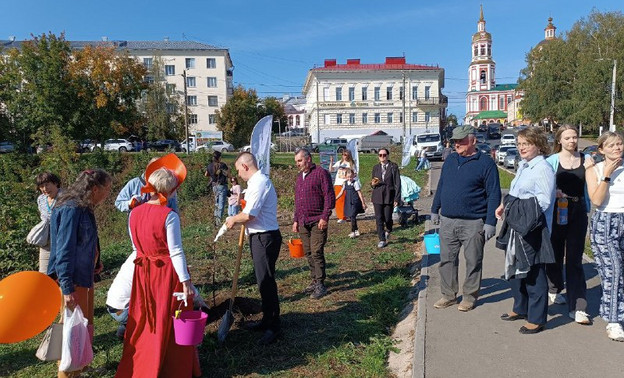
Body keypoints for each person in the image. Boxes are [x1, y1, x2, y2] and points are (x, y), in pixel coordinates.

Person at [116, 155, 201, 377]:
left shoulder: (134, 212)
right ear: (170, 191)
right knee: (170, 316)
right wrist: (186, 282)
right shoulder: (169, 216)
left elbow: (136, 245)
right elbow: (175, 251)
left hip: (143, 272)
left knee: (145, 317)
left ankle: (143, 363)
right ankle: (171, 368)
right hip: (165, 273)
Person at [47, 169, 112, 378]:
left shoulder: (85, 206)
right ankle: (67, 373)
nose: (108, 193)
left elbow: (88, 238)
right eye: (107, 189)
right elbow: (63, 250)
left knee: (85, 325)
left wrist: (97, 260)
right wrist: (67, 288)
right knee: (71, 329)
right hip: (72, 278)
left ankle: (80, 368)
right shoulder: (70, 208)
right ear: (94, 189)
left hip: (85, 274)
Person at [431, 125, 501, 312]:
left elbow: (493, 195)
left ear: (473, 141)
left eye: (461, 140)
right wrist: (434, 209)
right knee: (446, 260)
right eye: (454, 141)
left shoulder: (486, 163)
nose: (457, 144)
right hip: (447, 221)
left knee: (473, 261)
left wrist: (490, 223)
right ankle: (448, 295)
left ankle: (469, 297)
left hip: (473, 222)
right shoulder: (451, 159)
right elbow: (442, 185)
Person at [495, 127, 556, 334]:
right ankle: (520, 307)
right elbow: (515, 191)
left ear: (538, 145)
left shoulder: (542, 168)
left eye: (526, 144)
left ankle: (537, 318)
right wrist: (505, 205)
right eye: (519, 143)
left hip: (533, 228)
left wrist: (521, 212)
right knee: (515, 268)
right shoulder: (524, 165)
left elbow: (544, 201)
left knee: (533, 272)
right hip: (516, 224)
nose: (521, 147)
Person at [225, 152, 283, 345]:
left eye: (239, 170)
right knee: (262, 281)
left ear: (246, 166)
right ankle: (266, 320)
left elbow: (250, 215)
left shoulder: (260, 183)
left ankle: (273, 327)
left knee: (266, 282)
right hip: (258, 236)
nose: (238, 174)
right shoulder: (254, 184)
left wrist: (233, 219)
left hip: (265, 238)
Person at [545, 125, 593, 324]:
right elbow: (544, 184)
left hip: (577, 211)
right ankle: (554, 287)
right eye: (567, 138)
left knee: (574, 259)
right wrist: (553, 192)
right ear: (560, 141)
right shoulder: (551, 161)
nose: (572, 141)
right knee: (555, 253)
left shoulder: (586, 160)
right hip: (557, 210)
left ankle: (578, 307)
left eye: (574, 137)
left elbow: (592, 184)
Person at [586, 131, 624, 341]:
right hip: (606, 222)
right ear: (601, 150)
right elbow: (597, 201)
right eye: (611, 145)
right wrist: (607, 174)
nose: (617, 148)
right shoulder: (595, 169)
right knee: (613, 271)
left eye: (619, 144)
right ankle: (613, 320)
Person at [293, 147, 336, 299]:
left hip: (318, 219)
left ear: (308, 159)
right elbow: (298, 200)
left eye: (300, 160)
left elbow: (329, 196)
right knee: (308, 252)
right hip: (304, 221)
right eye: (296, 161)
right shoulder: (300, 178)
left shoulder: (321, 173)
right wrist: (296, 220)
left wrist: (325, 217)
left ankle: (320, 283)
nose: (298, 164)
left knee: (317, 251)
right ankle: (314, 278)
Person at [114, 158, 179, 213]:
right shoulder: (134, 183)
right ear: (148, 168)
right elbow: (118, 203)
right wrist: (129, 204)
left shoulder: (167, 185)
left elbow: (174, 209)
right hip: (136, 223)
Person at [371, 148, 401, 248]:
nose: (382, 157)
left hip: (389, 194)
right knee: (379, 218)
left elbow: (397, 183)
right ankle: (382, 239)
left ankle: (388, 229)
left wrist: (397, 198)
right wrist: (373, 184)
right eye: (380, 155)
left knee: (387, 217)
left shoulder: (393, 167)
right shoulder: (376, 167)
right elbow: (373, 182)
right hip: (377, 195)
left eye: (384, 155)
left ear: (388, 155)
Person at [35, 172, 62, 273]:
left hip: (63, 238)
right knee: (44, 272)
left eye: (47, 184)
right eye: (41, 186)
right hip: (47, 240)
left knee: (63, 271)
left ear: (55, 183)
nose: (45, 189)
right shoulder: (41, 199)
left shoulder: (66, 196)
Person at [335, 167, 366, 238]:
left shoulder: (355, 183)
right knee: (351, 217)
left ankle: (353, 232)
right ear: (346, 177)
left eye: (351, 177)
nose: (349, 178)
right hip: (348, 201)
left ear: (353, 176)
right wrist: (336, 198)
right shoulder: (345, 183)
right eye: (348, 177)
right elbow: (341, 192)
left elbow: (359, 193)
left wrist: (363, 203)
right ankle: (356, 230)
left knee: (352, 216)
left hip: (355, 202)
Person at [329, 149, 356, 223]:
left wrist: (350, 178)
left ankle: (348, 215)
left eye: (346, 155)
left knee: (346, 200)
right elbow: (331, 170)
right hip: (338, 183)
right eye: (343, 154)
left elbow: (355, 173)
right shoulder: (339, 163)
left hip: (346, 183)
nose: (344, 156)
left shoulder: (351, 164)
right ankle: (341, 216)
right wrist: (331, 162)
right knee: (338, 200)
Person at [205, 150, 229, 225]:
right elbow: (228, 174)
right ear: (219, 157)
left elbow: (206, 174)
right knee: (221, 204)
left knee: (216, 203)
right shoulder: (222, 165)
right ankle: (218, 222)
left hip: (214, 185)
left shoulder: (209, 165)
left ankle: (215, 220)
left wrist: (212, 176)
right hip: (222, 185)